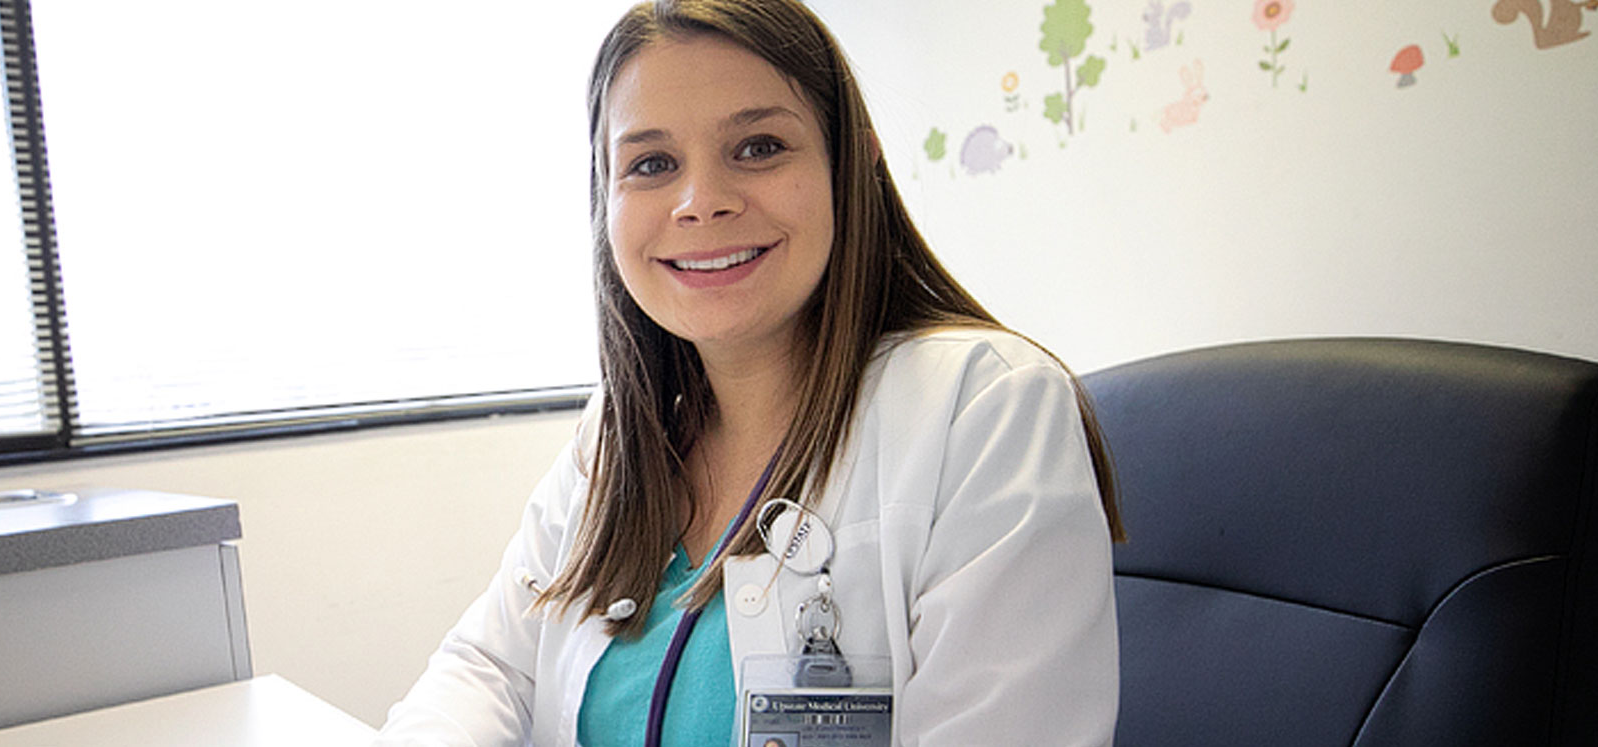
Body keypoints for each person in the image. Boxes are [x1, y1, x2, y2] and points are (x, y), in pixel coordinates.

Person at [378, 0, 1123, 744]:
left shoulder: (984, 409)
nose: (703, 203)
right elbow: (490, 668)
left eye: (760, 146)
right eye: (651, 164)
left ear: (851, 163)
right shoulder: (619, 435)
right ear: (608, 198)